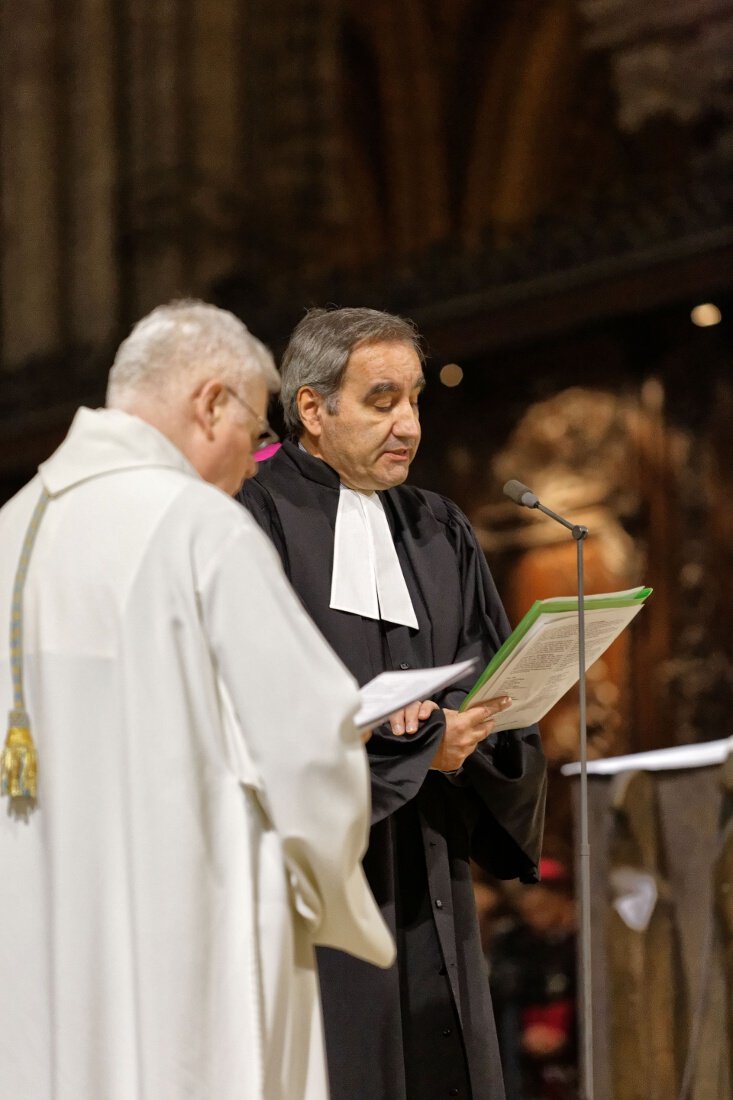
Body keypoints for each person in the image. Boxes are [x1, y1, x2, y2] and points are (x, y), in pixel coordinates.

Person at [0, 300, 394, 1100]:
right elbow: (311, 742)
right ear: (210, 401)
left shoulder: (10, 529)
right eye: (255, 436)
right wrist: (333, 890)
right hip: (187, 932)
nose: (254, 466)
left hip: (38, 946)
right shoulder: (196, 527)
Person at [238, 306, 547, 1100]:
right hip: (319, 883)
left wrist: (485, 732)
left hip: (433, 870)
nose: (407, 424)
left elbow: (491, 686)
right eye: (381, 401)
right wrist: (411, 750)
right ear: (312, 407)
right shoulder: (252, 520)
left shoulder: (437, 528)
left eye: (413, 400)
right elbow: (252, 718)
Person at [490, 858, 578, 1100]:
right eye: (528, 897)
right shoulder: (512, 942)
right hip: (523, 1064)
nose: (534, 901)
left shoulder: (579, 944)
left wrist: (566, 1038)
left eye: (547, 896)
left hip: (572, 1059)